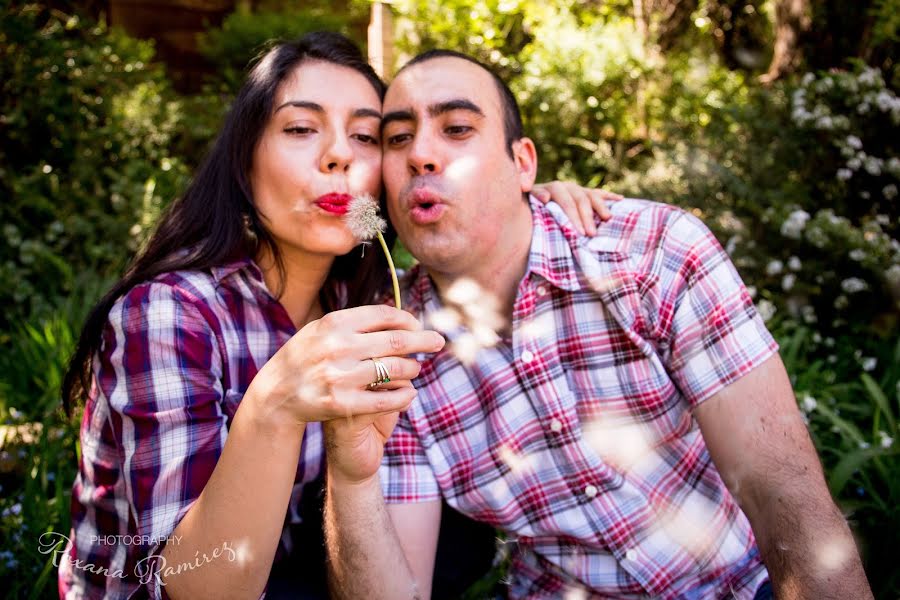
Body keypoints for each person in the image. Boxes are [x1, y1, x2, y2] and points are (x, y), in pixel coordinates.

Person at [56, 33, 613, 599]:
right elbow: (197, 588)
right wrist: (274, 406)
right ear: (245, 161)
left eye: (368, 137)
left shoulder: (370, 301)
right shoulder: (172, 314)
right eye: (301, 129)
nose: (339, 155)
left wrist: (519, 197)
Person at [322, 50, 874, 599]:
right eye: (397, 139)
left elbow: (784, 495)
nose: (420, 154)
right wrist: (350, 478)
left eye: (458, 128)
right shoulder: (395, 351)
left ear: (524, 165)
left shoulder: (654, 255)